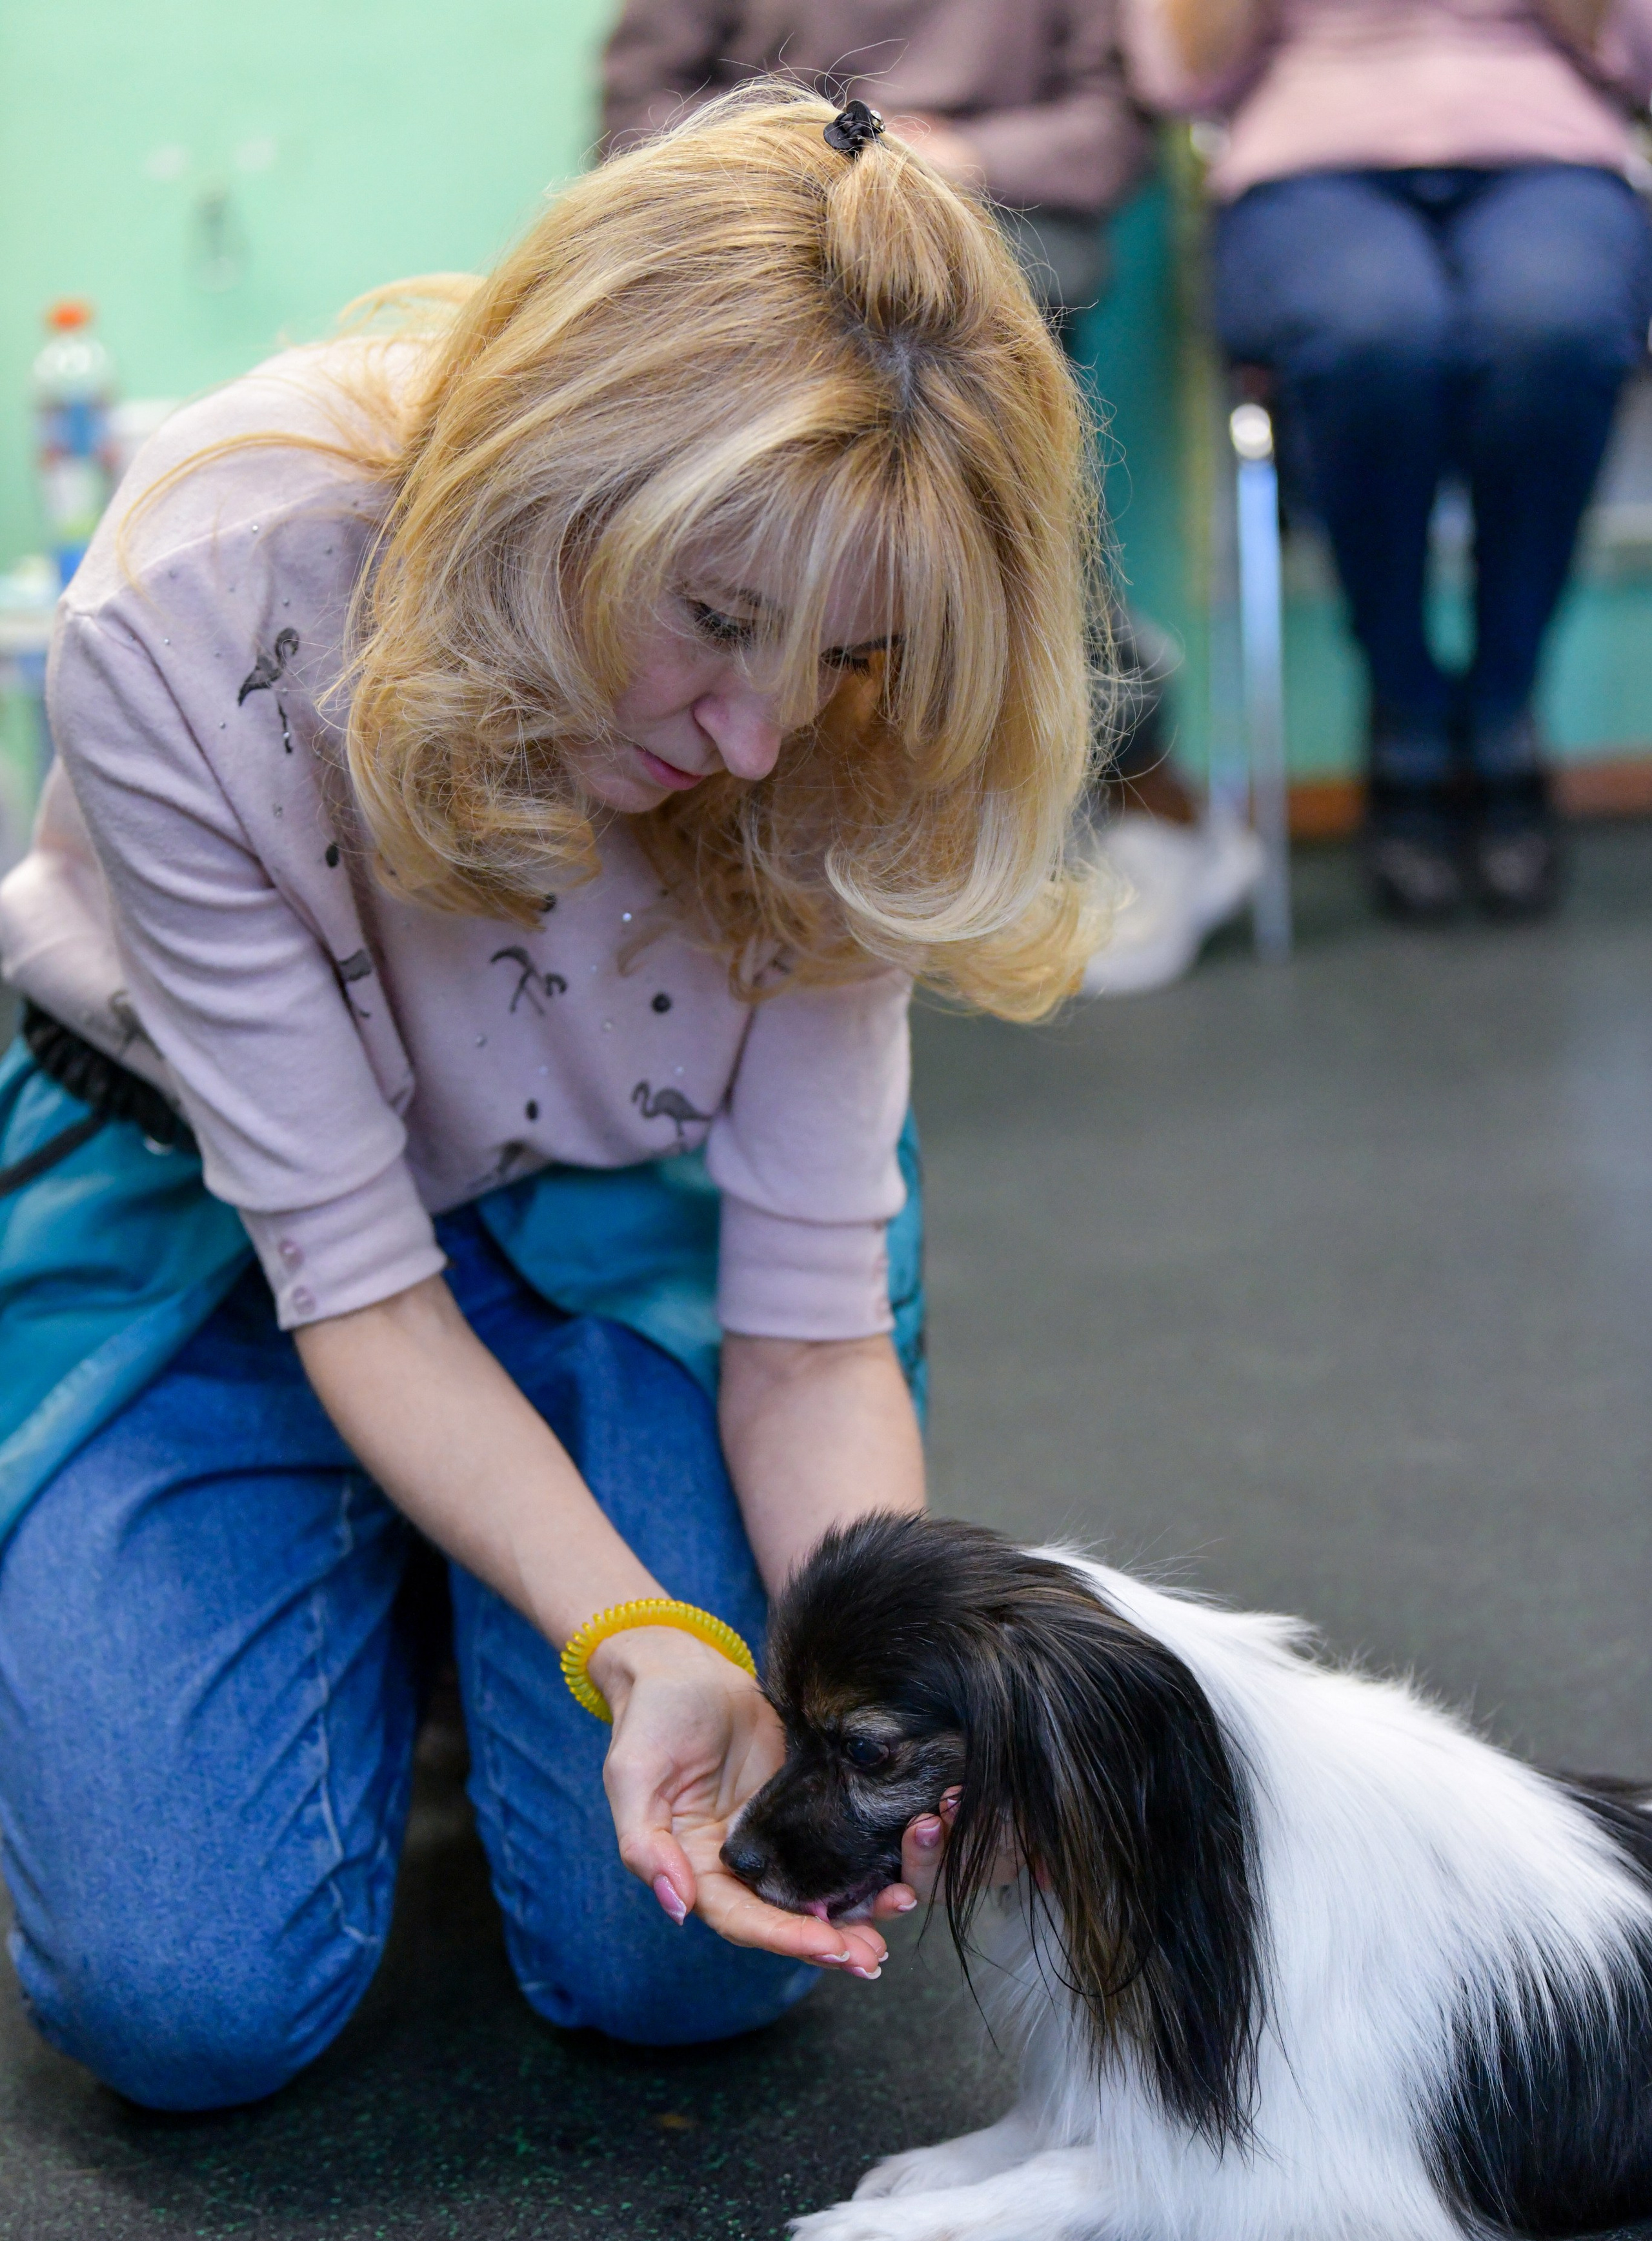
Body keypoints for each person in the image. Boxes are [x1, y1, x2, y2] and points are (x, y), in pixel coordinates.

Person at [0, 88, 1098, 2111]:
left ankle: (442, 1602)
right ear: (560, 477)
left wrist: (904, 1699)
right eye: (710, 617)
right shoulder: (196, 600)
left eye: (842, 652)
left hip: (608, 1221)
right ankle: (417, 1608)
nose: (762, 730)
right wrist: (623, 1627)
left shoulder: (847, 720)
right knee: (184, 2004)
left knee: (677, 1962)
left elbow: (807, 1340)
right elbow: (354, 1281)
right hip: (221, 1227)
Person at [604, 1, 1265, 992]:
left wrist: (953, 155)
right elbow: (631, 117)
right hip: (765, 218)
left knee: (976, 438)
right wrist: (822, 155)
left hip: (1001, 225)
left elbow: (1112, 135)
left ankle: (1124, 764)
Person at [1125, 0, 1652, 921]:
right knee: (1377, 333)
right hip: (1308, 163)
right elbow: (1173, 79)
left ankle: (1503, 702)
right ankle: (1404, 704)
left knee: (1554, 328)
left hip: (1548, 152)